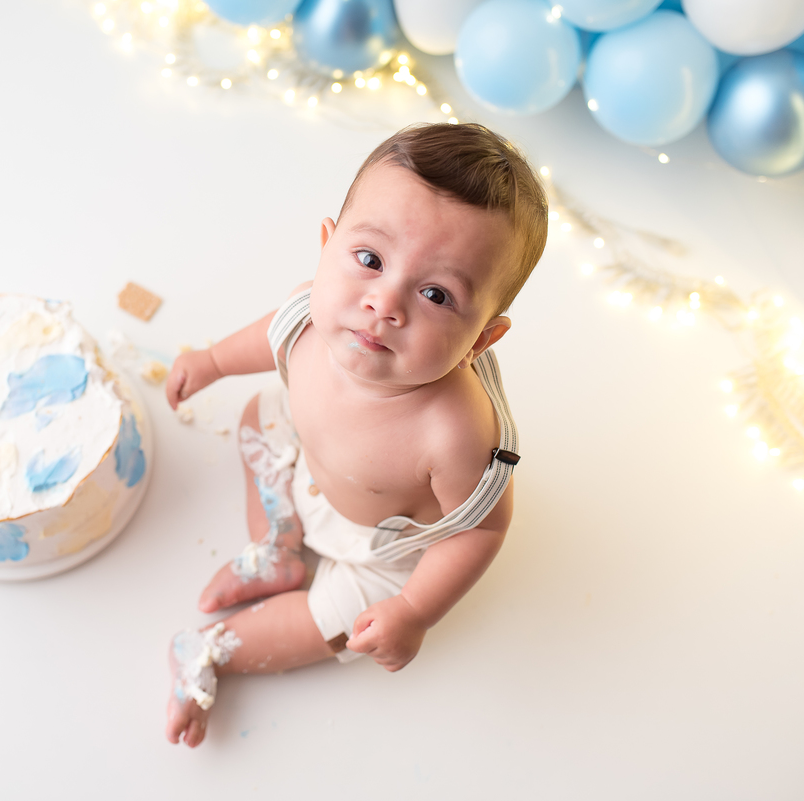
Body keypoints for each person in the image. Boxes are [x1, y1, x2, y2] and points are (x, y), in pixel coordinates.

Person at [163, 123, 548, 747]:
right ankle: (277, 543)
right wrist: (209, 362)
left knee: (344, 621)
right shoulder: (308, 318)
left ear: (481, 339)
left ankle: (210, 650)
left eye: (436, 294)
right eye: (369, 260)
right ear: (327, 246)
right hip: (312, 465)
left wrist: (415, 611)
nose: (384, 303)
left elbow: (481, 530)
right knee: (259, 415)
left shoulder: (454, 433)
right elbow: (266, 337)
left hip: (385, 547)